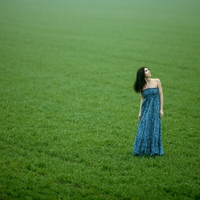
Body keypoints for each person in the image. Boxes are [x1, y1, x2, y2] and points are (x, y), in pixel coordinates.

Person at [133, 67, 164, 156]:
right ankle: (141, 149)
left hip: (155, 109)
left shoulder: (157, 81)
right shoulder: (141, 86)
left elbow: (161, 95)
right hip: (146, 109)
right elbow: (142, 99)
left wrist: (161, 109)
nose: (149, 71)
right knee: (143, 129)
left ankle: (154, 150)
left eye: (148, 70)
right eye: (146, 71)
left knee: (155, 128)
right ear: (142, 74)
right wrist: (140, 112)